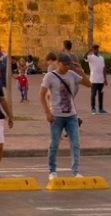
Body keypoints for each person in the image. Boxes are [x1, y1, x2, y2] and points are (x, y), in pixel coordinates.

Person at [42, 52, 90, 180]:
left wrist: (81, 72)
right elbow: (41, 95)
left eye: (69, 65)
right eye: (65, 64)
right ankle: (52, 171)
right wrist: (47, 112)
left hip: (71, 115)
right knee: (54, 144)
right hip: (56, 116)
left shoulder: (72, 75)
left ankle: (75, 171)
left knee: (75, 143)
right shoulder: (49, 76)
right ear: (58, 63)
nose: (67, 67)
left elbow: (89, 84)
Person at [86, 45, 107, 114]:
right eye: (94, 49)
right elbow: (84, 57)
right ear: (92, 50)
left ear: (98, 50)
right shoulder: (91, 57)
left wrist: (105, 79)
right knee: (93, 94)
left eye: (96, 49)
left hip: (101, 79)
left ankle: (101, 109)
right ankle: (93, 108)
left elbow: (104, 68)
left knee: (101, 94)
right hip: (93, 80)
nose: (96, 50)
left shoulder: (101, 58)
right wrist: (89, 50)